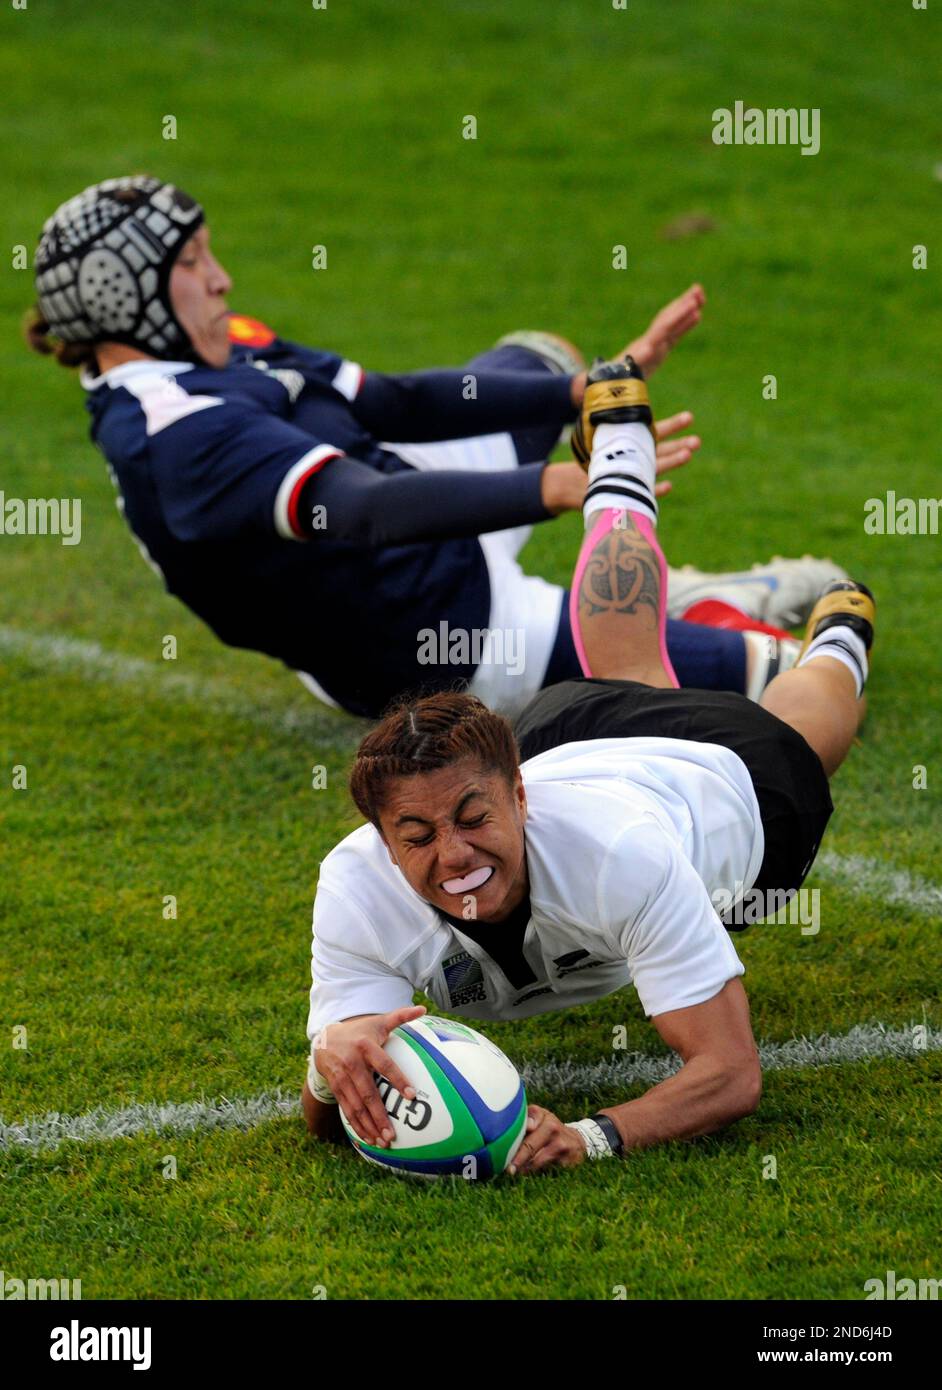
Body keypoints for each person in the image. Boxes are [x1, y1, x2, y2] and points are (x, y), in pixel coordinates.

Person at [302, 352, 875, 1173]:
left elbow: (729, 1073)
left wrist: (589, 1135)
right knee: (627, 667)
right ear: (384, 844)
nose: (454, 855)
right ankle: (619, 447)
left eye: (472, 819)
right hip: (571, 737)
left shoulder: (622, 856)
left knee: (804, 735)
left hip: (719, 791)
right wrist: (334, 1062)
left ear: (519, 796)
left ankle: (843, 636)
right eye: (418, 835)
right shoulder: (355, 887)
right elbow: (331, 1111)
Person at [25, 174, 843, 718]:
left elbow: (392, 401)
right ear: (125, 298)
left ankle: (636, 596)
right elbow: (367, 512)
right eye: (193, 262)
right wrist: (563, 485)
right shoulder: (176, 437)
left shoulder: (208, 350)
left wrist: (583, 391)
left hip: (418, 521)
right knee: (791, 685)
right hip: (434, 629)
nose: (221, 278)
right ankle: (691, 604)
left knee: (543, 354)